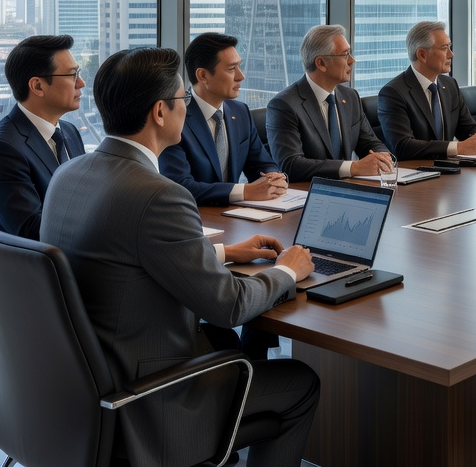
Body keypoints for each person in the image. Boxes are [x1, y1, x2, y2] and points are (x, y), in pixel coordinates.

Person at [40, 47, 318, 467]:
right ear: (159, 112)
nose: (188, 109)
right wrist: (286, 271)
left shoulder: (69, 173)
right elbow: (230, 306)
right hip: (149, 396)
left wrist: (222, 251)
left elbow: (121, 253)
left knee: (231, 349)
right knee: (300, 381)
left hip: (79, 385)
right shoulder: (159, 195)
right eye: (184, 99)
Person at [0, 34, 86, 240]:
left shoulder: (69, 132)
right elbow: (34, 232)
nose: (81, 83)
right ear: (38, 86)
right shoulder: (0, 150)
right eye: (72, 76)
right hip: (36, 268)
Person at [159, 32, 288, 206]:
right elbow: (181, 186)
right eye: (231, 69)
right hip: (197, 219)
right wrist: (245, 191)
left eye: (239, 67)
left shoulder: (240, 112)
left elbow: (261, 163)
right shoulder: (175, 119)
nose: (241, 76)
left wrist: (273, 176)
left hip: (236, 217)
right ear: (203, 76)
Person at [266, 25, 392, 183]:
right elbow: (291, 164)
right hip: (308, 195)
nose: (352, 61)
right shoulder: (284, 105)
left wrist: (383, 159)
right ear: (321, 63)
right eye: (345, 55)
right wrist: (352, 167)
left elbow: (370, 142)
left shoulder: (350, 97)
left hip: (348, 189)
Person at [376, 21, 476, 160]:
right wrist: (458, 147)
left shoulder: (450, 85)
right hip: (415, 173)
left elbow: (468, 128)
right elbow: (403, 146)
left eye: (449, 47)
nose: (451, 54)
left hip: (449, 171)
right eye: (445, 48)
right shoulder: (393, 93)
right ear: (422, 55)